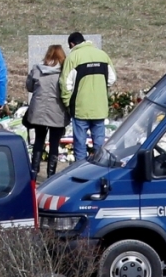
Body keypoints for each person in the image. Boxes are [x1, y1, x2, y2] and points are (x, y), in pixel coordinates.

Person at [60, 32, 116, 161]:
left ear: (72, 44)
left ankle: (81, 172)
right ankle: (99, 171)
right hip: (99, 107)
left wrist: (68, 103)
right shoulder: (102, 55)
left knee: (80, 145)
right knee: (99, 145)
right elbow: (112, 79)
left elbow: (65, 84)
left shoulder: (73, 57)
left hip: (80, 108)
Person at [25, 45, 70, 180]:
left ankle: (34, 172)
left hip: (38, 110)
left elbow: (29, 87)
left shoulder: (37, 69)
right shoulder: (64, 71)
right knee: (54, 143)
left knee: (39, 140)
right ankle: (51, 175)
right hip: (57, 110)